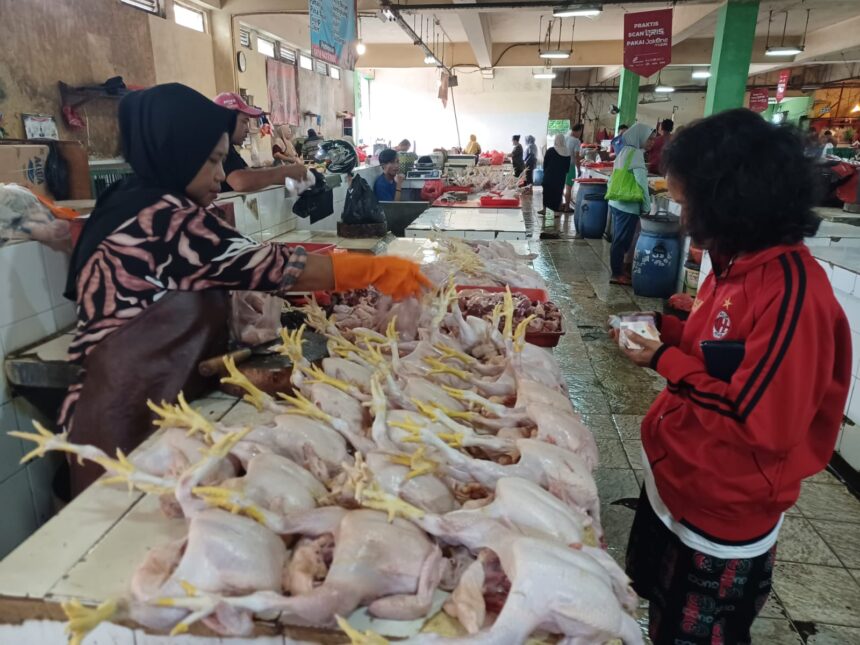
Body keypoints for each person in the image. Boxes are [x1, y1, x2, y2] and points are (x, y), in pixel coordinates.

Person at [59, 83, 430, 496]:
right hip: (127, 431)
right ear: (178, 154)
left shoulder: (127, 199)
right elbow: (272, 267)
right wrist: (373, 270)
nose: (222, 175)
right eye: (213, 161)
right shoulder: (167, 220)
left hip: (134, 413)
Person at [615, 108, 850, 645]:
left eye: (683, 197)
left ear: (728, 197)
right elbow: (720, 353)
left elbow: (758, 419)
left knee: (697, 633)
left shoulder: (791, 292)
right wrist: (668, 333)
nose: (676, 207)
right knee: (657, 614)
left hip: (723, 508)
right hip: (676, 479)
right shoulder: (733, 264)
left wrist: (660, 361)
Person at [214, 93, 306, 193]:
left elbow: (247, 172)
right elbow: (240, 182)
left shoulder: (229, 149)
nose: (248, 129)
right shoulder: (216, 146)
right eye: (244, 122)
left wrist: (290, 174)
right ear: (227, 120)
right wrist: (283, 172)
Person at [607, 123, 652, 283]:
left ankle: (617, 271)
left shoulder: (623, 151)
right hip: (628, 204)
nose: (651, 142)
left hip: (617, 201)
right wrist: (647, 206)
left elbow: (613, 178)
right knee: (622, 240)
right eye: (649, 138)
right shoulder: (636, 154)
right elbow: (641, 182)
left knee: (619, 239)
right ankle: (617, 274)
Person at [538, 134, 569, 215]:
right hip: (560, 176)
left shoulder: (551, 150)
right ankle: (555, 211)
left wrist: (545, 172)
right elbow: (567, 167)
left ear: (556, 140)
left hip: (549, 175)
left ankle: (545, 210)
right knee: (557, 193)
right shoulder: (567, 152)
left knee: (547, 192)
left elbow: (545, 163)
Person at [563, 123, 584, 211]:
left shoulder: (565, 137)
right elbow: (576, 156)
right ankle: (567, 207)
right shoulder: (576, 141)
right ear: (579, 131)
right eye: (581, 132)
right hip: (570, 165)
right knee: (568, 187)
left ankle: (561, 205)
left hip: (561, 165)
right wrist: (578, 169)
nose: (580, 134)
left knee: (561, 186)